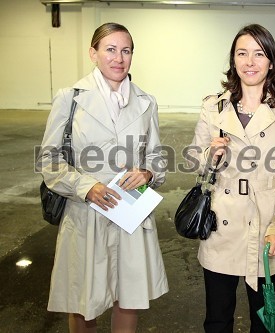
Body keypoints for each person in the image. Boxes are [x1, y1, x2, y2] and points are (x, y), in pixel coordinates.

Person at [37, 22, 168, 332]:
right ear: (93, 53)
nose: (118, 58)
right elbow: (49, 158)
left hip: (129, 213)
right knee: (83, 302)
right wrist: (85, 186)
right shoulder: (70, 98)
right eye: (110, 49)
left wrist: (148, 172)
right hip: (85, 213)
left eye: (126, 51)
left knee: (129, 297)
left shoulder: (146, 102)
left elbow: (157, 155)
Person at [187, 24, 275, 332]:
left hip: (267, 229)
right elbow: (194, 162)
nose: (249, 62)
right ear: (233, 60)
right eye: (242, 53)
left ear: (271, 62)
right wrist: (209, 158)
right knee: (217, 320)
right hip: (220, 226)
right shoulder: (213, 107)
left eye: (258, 53)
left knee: (263, 323)